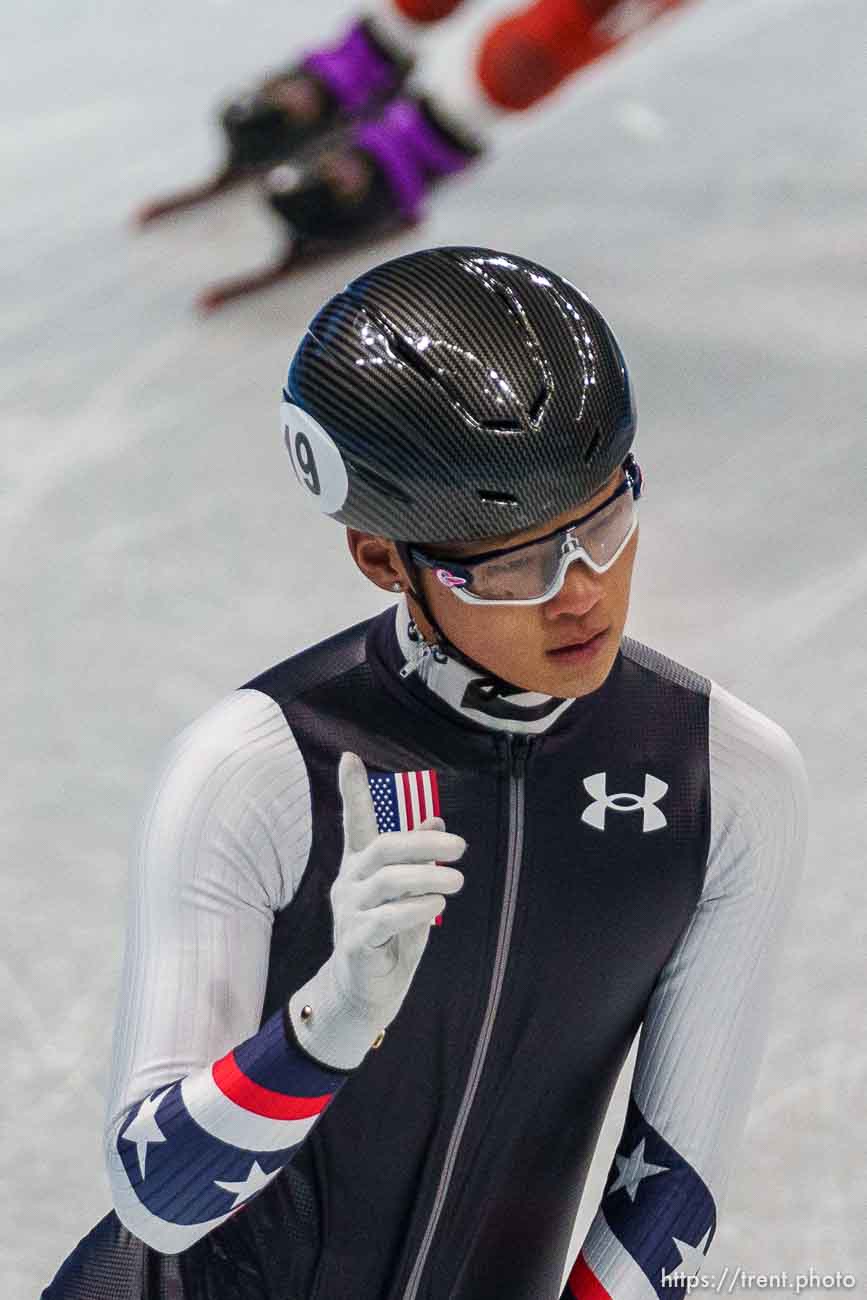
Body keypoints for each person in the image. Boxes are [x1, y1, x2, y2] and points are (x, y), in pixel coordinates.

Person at [42, 245, 810, 1300]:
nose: (579, 593)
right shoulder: (258, 769)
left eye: (605, 521)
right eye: (513, 565)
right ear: (379, 558)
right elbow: (156, 1196)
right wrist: (326, 1028)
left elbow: (671, 1190)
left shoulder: (726, 779)